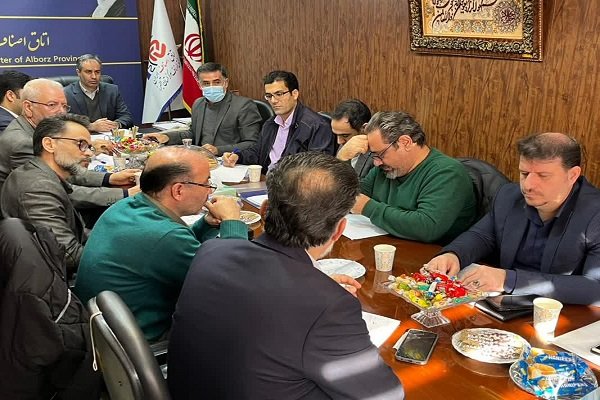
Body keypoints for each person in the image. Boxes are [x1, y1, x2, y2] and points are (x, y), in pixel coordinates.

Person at [168, 152, 404, 400]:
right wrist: (320, 295)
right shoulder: (329, 306)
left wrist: (315, 286)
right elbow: (386, 395)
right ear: (339, 230)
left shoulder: (211, 251)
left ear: (264, 210)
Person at [75, 146, 248, 342]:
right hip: (150, 342)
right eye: (206, 183)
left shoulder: (126, 207)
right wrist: (233, 221)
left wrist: (206, 225)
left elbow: (169, 249)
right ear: (178, 190)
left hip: (105, 335)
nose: (209, 190)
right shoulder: (165, 236)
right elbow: (235, 283)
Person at [425, 133, 600, 305]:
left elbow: (596, 287)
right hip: (500, 304)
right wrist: (454, 255)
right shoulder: (509, 196)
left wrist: (508, 279)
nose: (528, 185)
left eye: (543, 176)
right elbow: (481, 236)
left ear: (572, 175)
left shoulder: (595, 214)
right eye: (524, 173)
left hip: (561, 314)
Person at [0, 78, 138, 214]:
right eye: (52, 105)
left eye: (64, 106)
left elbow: (64, 171)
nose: (61, 112)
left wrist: (109, 178)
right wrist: (125, 194)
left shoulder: (39, 129)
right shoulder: (22, 142)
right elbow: (60, 191)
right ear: (28, 107)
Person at [353, 111, 476, 244]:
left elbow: (427, 227)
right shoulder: (383, 169)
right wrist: (343, 159)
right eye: (373, 156)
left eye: (381, 154)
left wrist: (368, 207)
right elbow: (349, 197)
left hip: (432, 252)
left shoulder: (447, 173)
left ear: (405, 142)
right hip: (386, 246)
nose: (376, 163)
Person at [1, 114, 95, 272]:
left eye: (89, 147)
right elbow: (68, 255)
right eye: (81, 144)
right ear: (49, 144)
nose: (89, 154)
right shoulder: (37, 187)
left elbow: (77, 235)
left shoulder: (39, 174)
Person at [222, 70, 336, 173]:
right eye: (269, 96)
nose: (273, 101)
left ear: (294, 94)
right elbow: (258, 152)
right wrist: (238, 156)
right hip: (267, 181)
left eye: (279, 94)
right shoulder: (271, 123)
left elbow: (318, 169)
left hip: (291, 185)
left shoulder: (316, 126)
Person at [144, 62, 262, 156]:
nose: (211, 87)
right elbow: (193, 133)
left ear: (225, 83)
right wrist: (166, 137)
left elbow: (252, 143)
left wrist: (218, 150)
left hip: (229, 161)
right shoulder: (198, 104)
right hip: (201, 159)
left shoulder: (244, 106)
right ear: (200, 85)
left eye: (216, 82)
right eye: (206, 83)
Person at [64, 54, 133, 131]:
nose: (94, 76)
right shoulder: (66, 94)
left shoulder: (112, 90)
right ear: (78, 72)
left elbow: (126, 116)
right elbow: (62, 123)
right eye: (88, 72)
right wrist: (90, 126)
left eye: (97, 72)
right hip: (81, 137)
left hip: (108, 136)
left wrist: (116, 124)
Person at [331, 98, 374, 178]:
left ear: (364, 129)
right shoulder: (343, 143)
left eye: (345, 135)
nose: (339, 141)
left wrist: (342, 160)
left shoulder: (376, 155)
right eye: (336, 135)